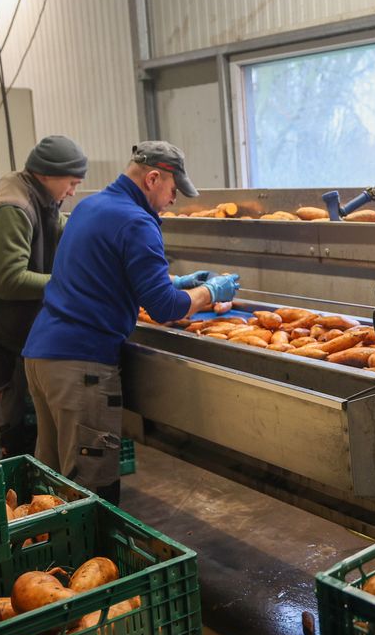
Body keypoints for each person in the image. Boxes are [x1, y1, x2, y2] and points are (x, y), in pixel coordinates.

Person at [21, 141, 239, 504]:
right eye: (173, 190)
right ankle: (91, 560)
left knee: (52, 483)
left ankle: (49, 557)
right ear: (153, 178)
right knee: (88, 489)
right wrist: (210, 293)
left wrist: (176, 281)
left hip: (42, 358)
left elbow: (103, 272)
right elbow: (165, 308)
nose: (174, 199)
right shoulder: (137, 222)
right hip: (81, 366)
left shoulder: (90, 206)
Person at [0, 135, 86, 460]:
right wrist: (69, 283)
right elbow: (9, 281)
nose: (72, 191)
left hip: (4, 331)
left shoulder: (39, 195)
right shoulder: (13, 207)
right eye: (71, 183)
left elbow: (56, 229)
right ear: (46, 174)